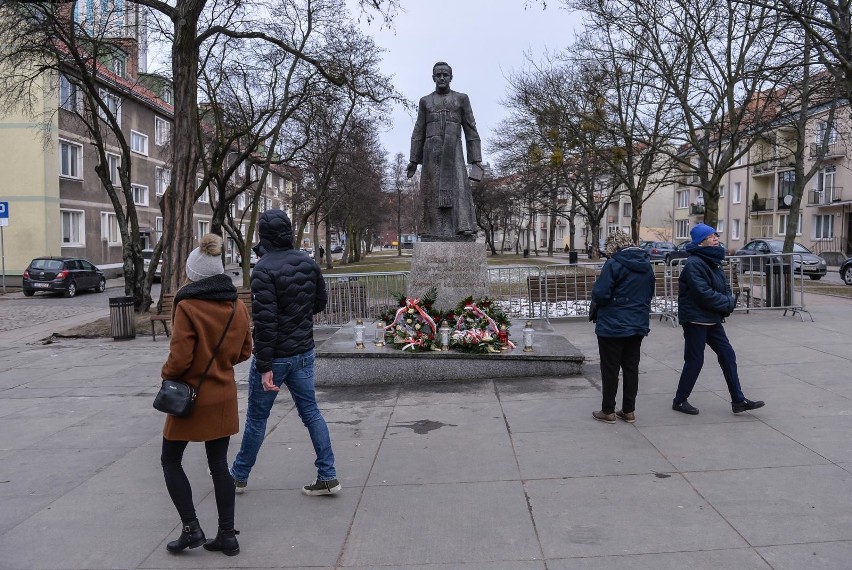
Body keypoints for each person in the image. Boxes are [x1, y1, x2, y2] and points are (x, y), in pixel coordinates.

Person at [230, 209, 340, 496]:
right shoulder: (307, 262)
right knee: (312, 413)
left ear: (264, 236)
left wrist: (264, 364)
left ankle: (238, 475)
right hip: (303, 351)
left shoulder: (263, 269)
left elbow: (266, 322)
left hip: (276, 357)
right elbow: (319, 303)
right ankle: (328, 475)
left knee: (257, 418)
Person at [160, 234, 253, 557]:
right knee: (219, 466)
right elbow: (245, 352)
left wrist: (167, 375)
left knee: (170, 460)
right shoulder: (237, 306)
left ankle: (191, 529)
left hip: (191, 398)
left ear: (193, 274)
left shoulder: (187, 305)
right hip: (223, 397)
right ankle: (227, 535)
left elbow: (180, 359)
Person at [671, 223, 765, 415]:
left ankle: (738, 401)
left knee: (728, 356)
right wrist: (727, 303)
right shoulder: (694, 263)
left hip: (711, 319)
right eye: (712, 236)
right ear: (701, 241)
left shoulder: (712, 261)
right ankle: (679, 400)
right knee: (695, 361)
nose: (716, 238)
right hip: (696, 320)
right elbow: (703, 293)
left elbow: (723, 286)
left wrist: (728, 299)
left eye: (716, 235)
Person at [407, 61, 482, 241]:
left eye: (445, 75)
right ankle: (431, 229)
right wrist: (413, 160)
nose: (441, 78)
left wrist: (476, 161)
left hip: (453, 150)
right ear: (433, 77)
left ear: (450, 77)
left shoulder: (461, 99)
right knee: (431, 190)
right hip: (431, 153)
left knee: (458, 188)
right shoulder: (425, 101)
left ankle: (462, 226)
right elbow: (419, 130)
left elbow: (470, 129)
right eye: (438, 75)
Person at [591, 231, 656, 424]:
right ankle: (628, 410)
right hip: (637, 323)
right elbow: (649, 293)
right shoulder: (646, 265)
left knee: (610, 368)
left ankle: (608, 411)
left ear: (613, 246)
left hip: (612, 324)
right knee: (631, 368)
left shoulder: (613, 264)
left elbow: (601, 294)